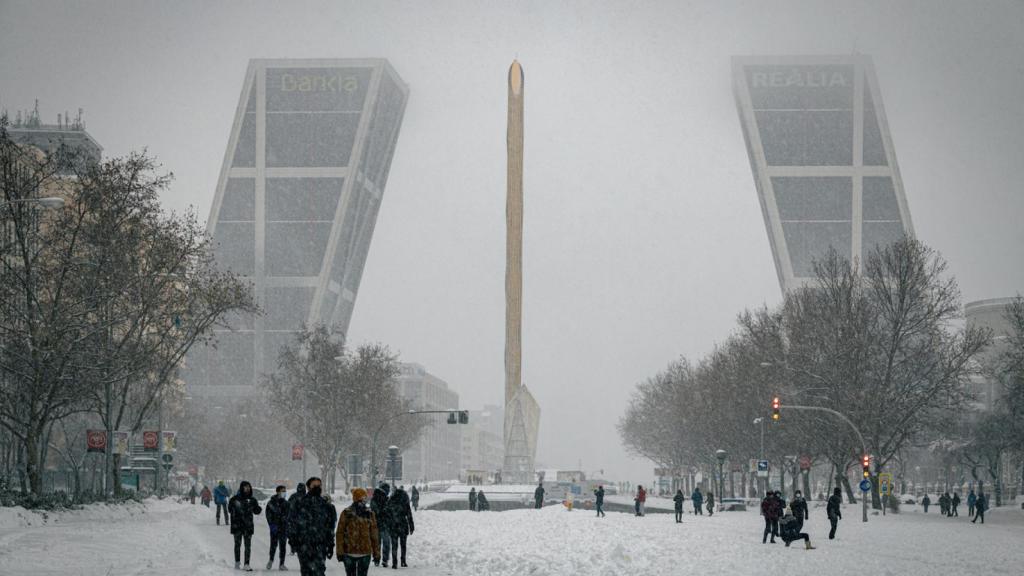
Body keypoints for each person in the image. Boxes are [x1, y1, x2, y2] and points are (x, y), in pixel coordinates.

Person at [288, 477, 336, 576]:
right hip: (304, 544)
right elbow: (292, 522)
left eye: (319, 485)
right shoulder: (300, 503)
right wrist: (293, 540)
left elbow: (330, 526)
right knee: (306, 572)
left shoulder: (326, 506)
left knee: (320, 571)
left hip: (321, 544)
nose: (317, 487)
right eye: (314, 485)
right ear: (309, 487)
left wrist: (330, 544)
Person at [336, 487, 381, 576]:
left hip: (355, 552)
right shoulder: (348, 513)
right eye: (363, 497)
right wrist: (340, 551)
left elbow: (374, 535)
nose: (365, 499)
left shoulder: (368, 514)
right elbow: (340, 533)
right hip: (355, 552)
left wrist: (377, 553)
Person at [229, 480, 263, 571]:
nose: (247, 488)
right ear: (241, 488)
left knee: (248, 546)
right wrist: (235, 507)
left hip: (248, 526)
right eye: (245, 487)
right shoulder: (234, 499)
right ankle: (237, 562)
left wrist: (259, 509)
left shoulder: (252, 499)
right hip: (237, 526)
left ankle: (247, 563)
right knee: (237, 545)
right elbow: (229, 509)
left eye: (249, 487)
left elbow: (256, 511)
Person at [386, 486, 415, 569]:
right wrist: (411, 526)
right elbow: (409, 515)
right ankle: (403, 561)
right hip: (403, 525)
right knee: (403, 545)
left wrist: (388, 525)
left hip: (393, 526)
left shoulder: (391, 501)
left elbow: (387, 514)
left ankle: (394, 563)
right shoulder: (405, 502)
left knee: (394, 545)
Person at [265, 485, 290, 571]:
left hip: (284, 528)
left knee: (283, 546)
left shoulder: (286, 503)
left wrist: (287, 523)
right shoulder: (271, 503)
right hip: (274, 527)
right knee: (273, 545)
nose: (284, 493)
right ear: (278, 492)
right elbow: (268, 515)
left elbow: (289, 515)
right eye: (283, 491)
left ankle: (282, 564)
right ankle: (271, 560)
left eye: (285, 491)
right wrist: (271, 525)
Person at [371, 484, 393, 567]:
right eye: (388, 489)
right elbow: (380, 511)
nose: (389, 491)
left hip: (377, 524)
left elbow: (374, 511)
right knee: (385, 542)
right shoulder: (385, 499)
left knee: (377, 543)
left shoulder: (375, 498)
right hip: (384, 524)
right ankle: (384, 559)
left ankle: (377, 558)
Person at [288, 483, 307, 556]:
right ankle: (300, 549)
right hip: (301, 521)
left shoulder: (293, 496)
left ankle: (294, 549)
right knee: (301, 536)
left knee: (293, 536)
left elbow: (289, 507)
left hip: (294, 520)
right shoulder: (306, 497)